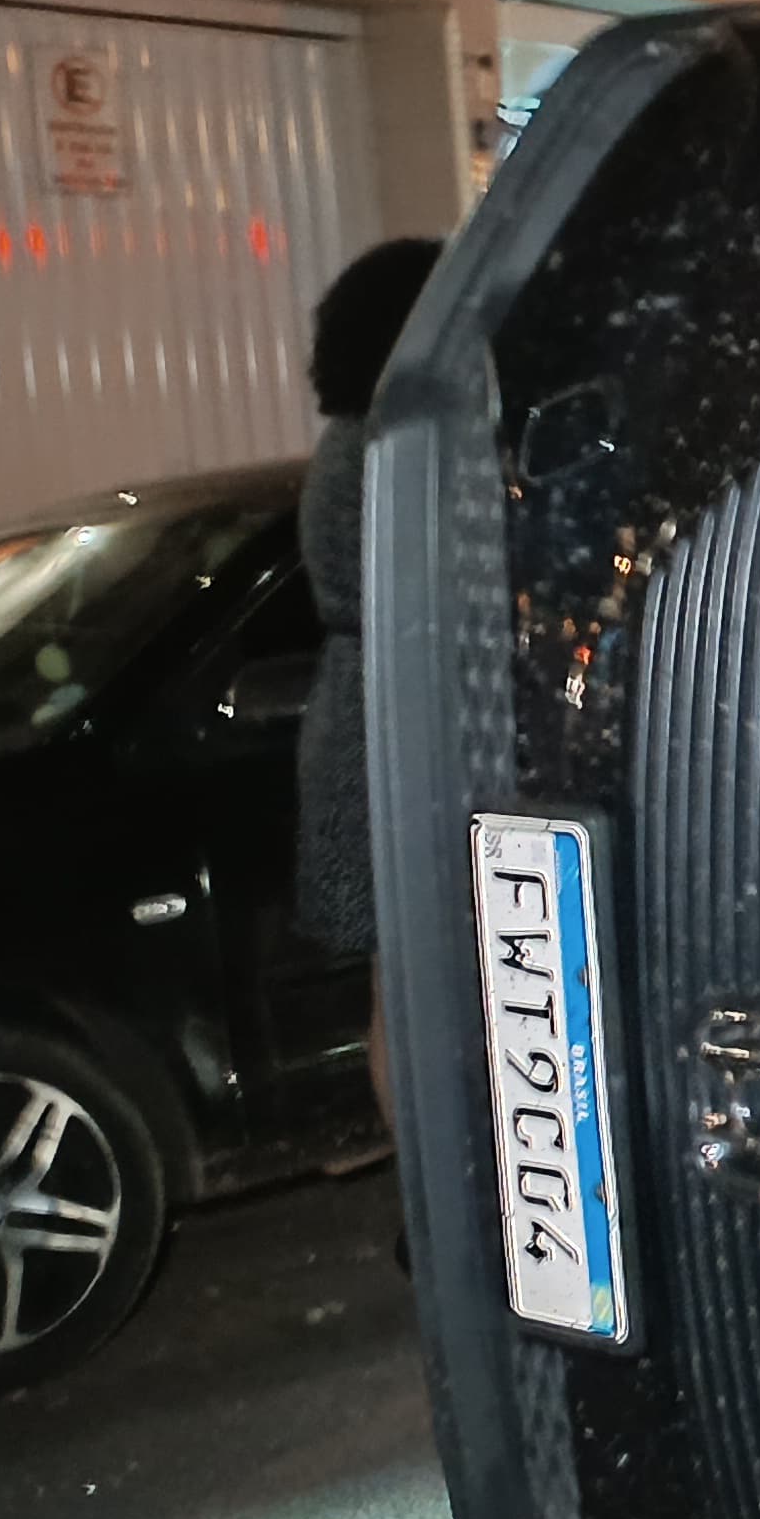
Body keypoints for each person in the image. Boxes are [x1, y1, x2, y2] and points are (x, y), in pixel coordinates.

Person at [298, 236, 445, 1121]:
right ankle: (436, 1198)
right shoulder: (394, 449)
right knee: (420, 990)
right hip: (391, 730)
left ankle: (423, 1191)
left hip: (355, 724)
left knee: (399, 991)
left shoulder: (346, 445)